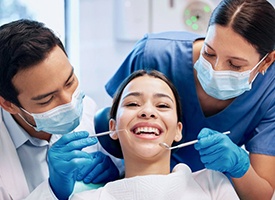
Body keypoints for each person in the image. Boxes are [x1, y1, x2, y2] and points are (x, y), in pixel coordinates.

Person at [104, 0, 275, 199]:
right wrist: (108, 158)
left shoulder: (215, 191)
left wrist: (240, 168)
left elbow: (262, 193)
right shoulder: (153, 54)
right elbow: (115, 114)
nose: (215, 70)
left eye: (235, 65)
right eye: (209, 53)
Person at [0, 19, 123, 200]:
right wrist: (53, 190)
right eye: (47, 99)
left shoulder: (89, 109)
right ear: (8, 105)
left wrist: (115, 172)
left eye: (70, 82)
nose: (69, 102)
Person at [70, 69, 239, 200]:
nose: (148, 111)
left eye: (163, 105)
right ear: (112, 128)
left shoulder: (211, 186)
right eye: (133, 103)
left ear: (178, 131)